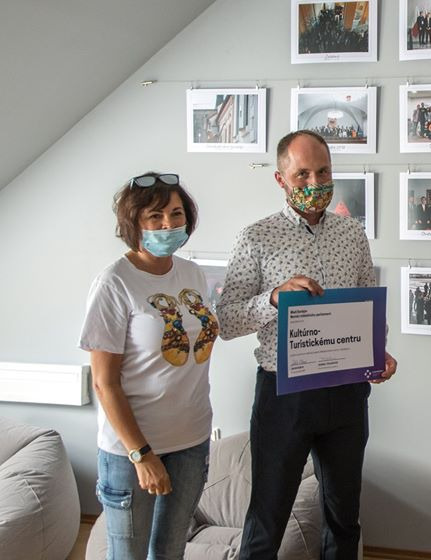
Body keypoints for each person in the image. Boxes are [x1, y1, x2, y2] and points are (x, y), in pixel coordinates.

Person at [218, 130, 397, 560]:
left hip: (347, 389)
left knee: (344, 516)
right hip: (285, 393)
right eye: (302, 174)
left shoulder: (352, 234)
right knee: (268, 517)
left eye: (323, 172)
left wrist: (378, 351)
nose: (315, 183)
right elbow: (226, 320)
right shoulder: (256, 237)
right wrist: (273, 298)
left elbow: (365, 304)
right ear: (281, 179)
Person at [80, 172, 218, 560]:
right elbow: (104, 383)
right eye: (155, 216)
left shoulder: (192, 273)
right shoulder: (114, 283)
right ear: (134, 223)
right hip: (132, 452)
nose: (168, 224)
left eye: (176, 214)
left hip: (192, 440)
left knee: (171, 552)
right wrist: (141, 454)